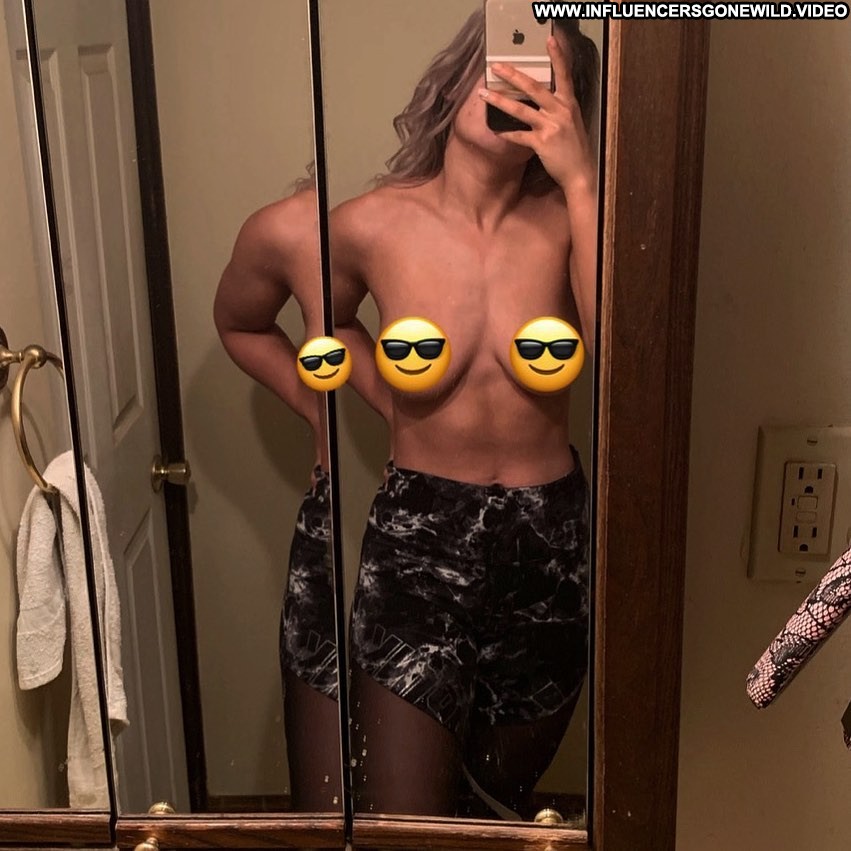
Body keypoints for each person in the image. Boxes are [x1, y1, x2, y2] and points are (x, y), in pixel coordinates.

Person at [331, 12, 599, 819]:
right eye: (500, 61)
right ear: (454, 78)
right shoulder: (370, 224)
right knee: (404, 817)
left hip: (548, 538)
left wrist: (581, 182)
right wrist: (392, 404)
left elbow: (623, 362)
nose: (512, 83)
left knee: (494, 807)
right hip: (419, 534)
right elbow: (330, 325)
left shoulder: (572, 224)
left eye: (540, 77)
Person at [213, 184, 341, 812]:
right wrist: (318, 415)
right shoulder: (299, 223)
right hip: (342, 523)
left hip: (490, 525)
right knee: (328, 801)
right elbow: (239, 322)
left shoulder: (530, 210)